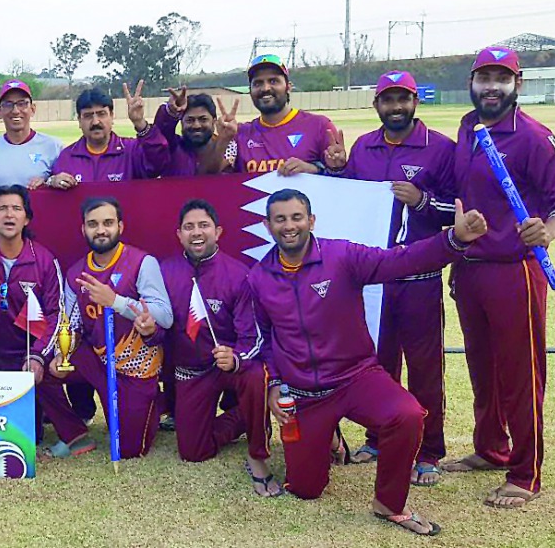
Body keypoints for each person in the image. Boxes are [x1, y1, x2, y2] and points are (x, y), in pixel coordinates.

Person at [248, 189, 488, 536]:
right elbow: (264, 341)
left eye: (297, 217)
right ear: (267, 225)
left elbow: (401, 260)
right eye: (280, 219)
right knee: (305, 489)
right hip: (304, 394)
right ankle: (329, 436)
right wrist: (273, 386)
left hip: (355, 376)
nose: (289, 226)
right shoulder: (258, 279)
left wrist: (453, 239)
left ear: (311, 220)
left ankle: (389, 504)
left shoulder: (342, 255)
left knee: (406, 414)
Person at [438, 47, 555, 509]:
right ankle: (491, 448)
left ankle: (525, 472)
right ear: (473, 81)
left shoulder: (534, 138)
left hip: (514, 272)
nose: (491, 87)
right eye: (484, 77)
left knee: (521, 375)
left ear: (517, 85)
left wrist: (550, 228)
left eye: (502, 79)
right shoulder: (467, 128)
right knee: (482, 369)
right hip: (470, 269)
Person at [323, 70, 457, 485]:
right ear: (376, 104)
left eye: (403, 99)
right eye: (388, 100)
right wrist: (336, 171)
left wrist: (423, 201)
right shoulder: (365, 146)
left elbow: (461, 210)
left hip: (419, 275)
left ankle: (429, 450)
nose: (395, 107)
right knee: (376, 363)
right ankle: (378, 435)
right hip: (373, 277)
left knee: (424, 368)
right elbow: (347, 201)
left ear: (416, 102)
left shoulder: (441, 148)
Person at [0, 185, 95, 457]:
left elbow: (56, 316)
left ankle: (75, 436)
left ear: (27, 218)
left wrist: (38, 356)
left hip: (26, 352)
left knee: (50, 367)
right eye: (2, 208)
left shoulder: (44, 260)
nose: (9, 215)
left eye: (16, 208)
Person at [160, 199, 277, 496]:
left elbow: (253, 336)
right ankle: (242, 417)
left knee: (254, 374)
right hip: (191, 369)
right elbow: (157, 322)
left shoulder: (239, 275)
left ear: (218, 231)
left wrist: (236, 357)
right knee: (193, 452)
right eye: (189, 227)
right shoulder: (165, 271)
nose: (196, 233)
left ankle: (257, 446)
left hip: (229, 364)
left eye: (203, 225)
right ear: (179, 235)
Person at [62, 197, 173, 458]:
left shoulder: (142, 262)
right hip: (98, 360)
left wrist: (116, 302)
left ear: (120, 227)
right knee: (43, 370)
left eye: (108, 223)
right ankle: (73, 431)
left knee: (130, 449)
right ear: (83, 229)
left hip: (135, 365)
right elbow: (71, 324)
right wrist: (61, 354)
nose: (101, 230)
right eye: (93, 224)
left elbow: (165, 316)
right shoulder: (76, 272)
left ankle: (158, 403)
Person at [201, 54, 346, 175]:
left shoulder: (319, 126)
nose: (265, 88)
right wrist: (223, 140)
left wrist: (313, 169)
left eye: (273, 81)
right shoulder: (239, 133)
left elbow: (340, 179)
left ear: (288, 87)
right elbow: (209, 176)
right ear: (250, 90)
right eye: (258, 83)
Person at [48, 85, 170, 189]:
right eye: (88, 116)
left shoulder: (131, 150)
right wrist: (52, 182)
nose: (95, 122)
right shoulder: (67, 157)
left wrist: (139, 123)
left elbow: (158, 165)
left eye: (101, 114)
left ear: (111, 116)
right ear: (79, 121)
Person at [0, 79, 63, 191]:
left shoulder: (54, 146)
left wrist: (48, 182)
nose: (15, 110)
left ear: (32, 109)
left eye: (22, 104)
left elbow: (62, 189)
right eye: (8, 104)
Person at [156, 88, 242, 176]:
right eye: (190, 120)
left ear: (214, 121)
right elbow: (161, 131)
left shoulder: (229, 146)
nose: (196, 125)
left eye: (203, 119)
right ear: (181, 122)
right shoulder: (173, 148)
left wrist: (223, 141)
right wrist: (171, 111)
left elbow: (210, 178)